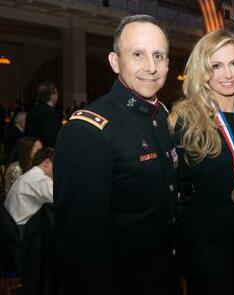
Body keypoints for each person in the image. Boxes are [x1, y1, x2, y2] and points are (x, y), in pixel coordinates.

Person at [54, 14, 179, 295]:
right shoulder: (88, 129)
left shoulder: (161, 118)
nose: (151, 67)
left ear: (168, 65)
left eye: (159, 56)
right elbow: (79, 247)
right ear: (114, 61)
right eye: (138, 54)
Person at [168, 29, 234, 295]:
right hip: (203, 248)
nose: (227, 74)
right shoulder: (185, 122)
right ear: (202, 70)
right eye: (216, 66)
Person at [4, 147, 54, 231]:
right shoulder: (39, 179)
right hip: (22, 230)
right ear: (47, 163)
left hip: (11, 227)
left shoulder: (28, 176)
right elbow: (58, 198)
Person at [25, 82, 62, 147]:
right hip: (46, 151)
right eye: (56, 93)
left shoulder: (33, 111)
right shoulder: (50, 112)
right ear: (51, 95)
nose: (58, 96)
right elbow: (51, 136)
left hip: (32, 148)